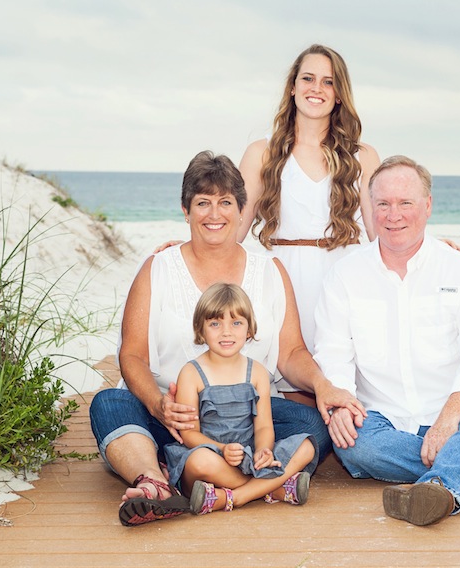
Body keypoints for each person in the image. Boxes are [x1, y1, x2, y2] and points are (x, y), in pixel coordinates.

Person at [89, 150, 364, 527]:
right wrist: (157, 405)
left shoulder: (269, 271)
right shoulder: (158, 269)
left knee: (315, 425)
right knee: (109, 404)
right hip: (171, 414)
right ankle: (154, 481)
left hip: (247, 421)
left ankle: (222, 487)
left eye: (225, 202)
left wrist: (322, 385)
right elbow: (132, 356)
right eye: (203, 203)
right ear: (186, 210)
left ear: (241, 209)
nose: (214, 214)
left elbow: (292, 352)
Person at [313, 155, 460, 527]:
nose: (394, 215)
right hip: (382, 420)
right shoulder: (344, 276)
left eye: (405, 202)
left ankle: (439, 488)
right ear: (370, 210)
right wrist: (342, 402)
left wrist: (448, 421)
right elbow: (333, 352)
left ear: (427, 206)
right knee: (354, 444)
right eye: (383, 204)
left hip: (456, 415)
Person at [237, 44, 381, 363]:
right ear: (292, 87)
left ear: (340, 94)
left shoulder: (363, 156)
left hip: (344, 281)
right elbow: (233, 228)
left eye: (328, 82)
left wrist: (433, 249)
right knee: (285, 377)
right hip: (283, 282)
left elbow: (381, 235)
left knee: (342, 379)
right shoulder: (262, 153)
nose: (317, 88)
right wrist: (186, 247)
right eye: (308, 78)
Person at [163, 283, 316, 514]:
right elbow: (189, 433)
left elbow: (264, 426)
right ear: (201, 329)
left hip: (248, 455)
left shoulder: (256, 372)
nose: (226, 332)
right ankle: (271, 489)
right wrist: (222, 449)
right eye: (215, 323)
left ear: (249, 329)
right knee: (199, 462)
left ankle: (231, 497)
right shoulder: (191, 373)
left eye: (236, 323)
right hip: (211, 454)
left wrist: (263, 451)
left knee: (306, 447)